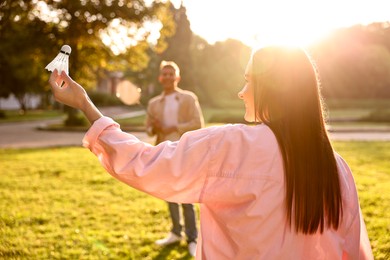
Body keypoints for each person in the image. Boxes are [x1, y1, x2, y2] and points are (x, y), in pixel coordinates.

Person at [48, 46, 373, 259]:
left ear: (275, 88)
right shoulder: (336, 167)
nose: (241, 92)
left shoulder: (233, 146)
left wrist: (85, 104)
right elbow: (355, 250)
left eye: (249, 81)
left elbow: (144, 163)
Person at [145, 60, 204, 256]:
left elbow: (197, 123)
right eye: (165, 74)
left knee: (186, 196)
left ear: (177, 77)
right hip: (163, 152)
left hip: (184, 152)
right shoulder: (154, 103)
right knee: (169, 193)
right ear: (160, 78)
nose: (169, 77)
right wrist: (154, 126)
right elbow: (148, 129)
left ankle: (192, 238)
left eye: (172, 74)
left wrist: (175, 128)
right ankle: (176, 232)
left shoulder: (188, 98)